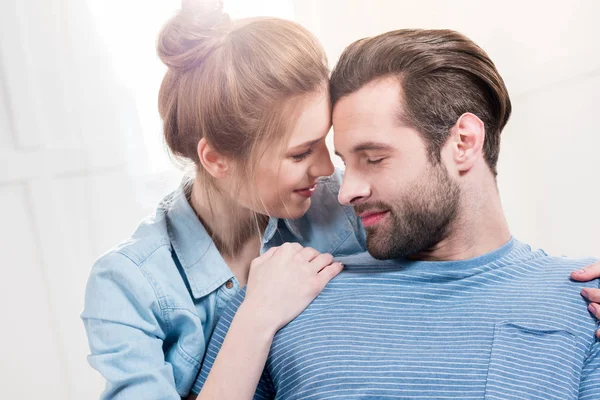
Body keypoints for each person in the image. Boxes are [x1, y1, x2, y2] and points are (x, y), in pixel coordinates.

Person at [193, 29, 600, 400]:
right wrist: (254, 320)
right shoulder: (278, 297)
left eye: (373, 158)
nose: (347, 191)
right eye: (346, 162)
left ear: (463, 142)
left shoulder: (582, 303)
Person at [81, 2, 366, 399]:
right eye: (300, 153)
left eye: (325, 141)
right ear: (216, 159)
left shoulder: (342, 202)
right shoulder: (128, 285)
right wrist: (256, 317)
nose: (324, 167)